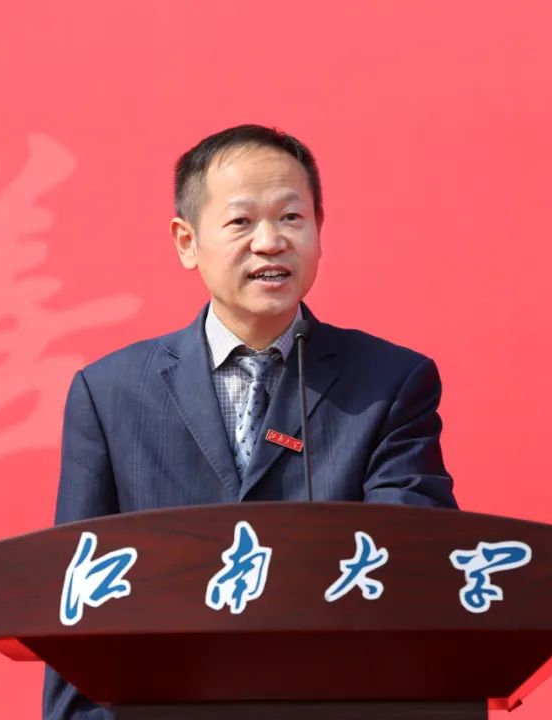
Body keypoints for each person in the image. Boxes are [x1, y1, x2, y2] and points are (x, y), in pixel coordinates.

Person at [43, 124, 459, 719]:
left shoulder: (390, 382)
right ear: (187, 242)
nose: (271, 242)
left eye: (291, 218)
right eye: (241, 222)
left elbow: (417, 561)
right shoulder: (110, 393)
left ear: (319, 229)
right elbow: (76, 599)